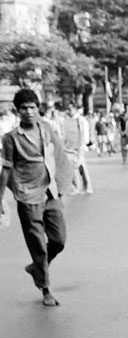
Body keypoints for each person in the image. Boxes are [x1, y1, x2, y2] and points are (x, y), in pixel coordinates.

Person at [0, 89, 73, 307]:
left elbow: (58, 155)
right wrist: (0, 197)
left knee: (58, 240)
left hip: (49, 191)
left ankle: (36, 268)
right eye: (24, 108)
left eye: (32, 107)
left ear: (38, 108)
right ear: (17, 111)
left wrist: (63, 186)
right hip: (27, 194)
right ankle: (46, 288)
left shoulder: (47, 129)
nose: (29, 112)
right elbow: (6, 169)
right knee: (38, 245)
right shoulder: (10, 138)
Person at [59, 101, 92, 194]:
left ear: (76, 109)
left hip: (79, 147)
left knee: (81, 166)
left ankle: (86, 186)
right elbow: (64, 134)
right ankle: (75, 187)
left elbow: (84, 135)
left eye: (70, 109)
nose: (68, 111)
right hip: (69, 148)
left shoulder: (80, 120)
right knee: (70, 167)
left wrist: (83, 146)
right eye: (68, 109)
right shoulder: (66, 121)